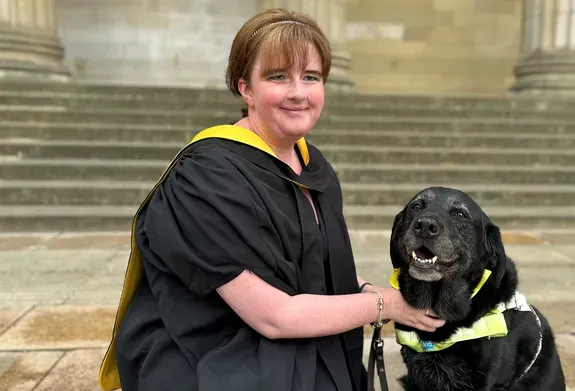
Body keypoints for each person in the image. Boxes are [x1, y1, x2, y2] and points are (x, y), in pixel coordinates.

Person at [98, 8, 445, 391]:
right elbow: (274, 317)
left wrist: (371, 291)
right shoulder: (204, 179)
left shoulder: (312, 165)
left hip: (292, 341)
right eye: (278, 77)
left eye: (310, 77)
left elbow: (314, 268)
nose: (298, 93)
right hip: (214, 356)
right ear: (246, 87)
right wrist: (385, 307)